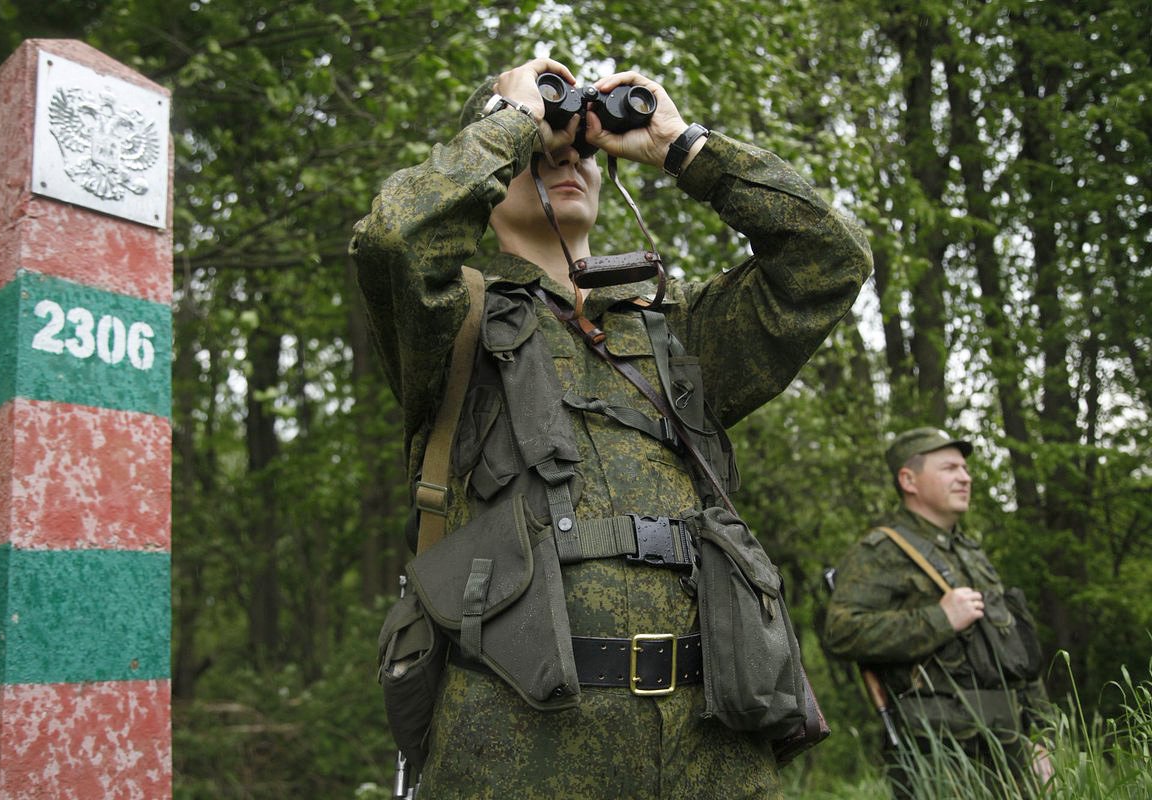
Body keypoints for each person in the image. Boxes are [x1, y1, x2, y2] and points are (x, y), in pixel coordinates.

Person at [352, 56, 871, 799]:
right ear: (493, 182)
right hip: (520, 756)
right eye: (545, 153)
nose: (569, 161)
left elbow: (831, 259)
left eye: (583, 154)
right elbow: (396, 238)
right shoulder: (449, 324)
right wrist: (511, 123)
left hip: (714, 750)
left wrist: (684, 148)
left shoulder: (681, 329)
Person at [823, 427, 1053, 798]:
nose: (965, 477)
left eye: (965, 469)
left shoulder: (970, 552)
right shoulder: (882, 550)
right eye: (950, 468)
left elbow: (1014, 655)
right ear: (909, 480)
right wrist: (939, 619)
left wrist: (1042, 737)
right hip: (940, 752)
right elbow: (841, 631)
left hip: (1009, 747)